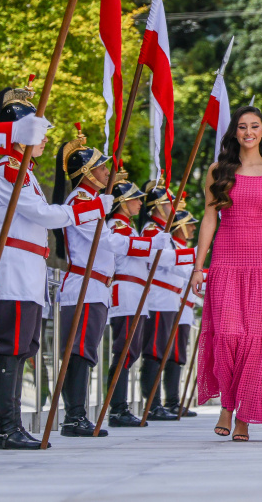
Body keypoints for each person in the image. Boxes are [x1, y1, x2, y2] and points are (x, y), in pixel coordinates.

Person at [192, 105, 262, 442]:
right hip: (226, 258)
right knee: (227, 335)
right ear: (235, 132)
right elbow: (210, 218)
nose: (249, 132)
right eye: (243, 126)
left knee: (255, 340)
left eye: (255, 126)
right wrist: (199, 266)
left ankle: (243, 415)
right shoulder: (218, 170)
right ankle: (227, 402)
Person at [52, 126, 164, 438]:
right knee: (78, 351)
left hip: (97, 285)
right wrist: (152, 243)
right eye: (101, 167)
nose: (106, 172)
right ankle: (74, 417)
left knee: (85, 351)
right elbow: (105, 243)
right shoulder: (82, 200)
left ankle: (78, 415)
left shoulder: (94, 202)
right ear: (86, 173)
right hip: (84, 284)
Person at [0, 86, 70, 450]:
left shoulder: (24, 172)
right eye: (38, 132)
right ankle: (5, 428)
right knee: (11, 347)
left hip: (28, 270)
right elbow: (40, 214)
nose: (44, 139)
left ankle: (11, 425)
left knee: (23, 348)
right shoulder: (9, 171)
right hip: (14, 270)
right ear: (20, 135)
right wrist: (79, 211)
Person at [139, 180, 194, 422]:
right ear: (159, 207)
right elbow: (162, 259)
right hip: (159, 298)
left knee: (164, 351)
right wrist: (195, 254)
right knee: (155, 352)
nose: (174, 208)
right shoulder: (152, 230)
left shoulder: (161, 232)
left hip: (169, 298)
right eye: (169, 204)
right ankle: (152, 404)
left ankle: (161, 402)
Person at [105, 170, 157, 428]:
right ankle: (117, 408)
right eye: (135, 198)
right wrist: (153, 244)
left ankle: (120, 406)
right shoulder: (116, 225)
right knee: (123, 351)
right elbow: (120, 247)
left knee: (131, 351)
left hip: (136, 294)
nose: (140, 203)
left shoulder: (129, 227)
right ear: (122, 202)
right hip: (125, 292)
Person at [163, 207, 200, 417]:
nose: (193, 228)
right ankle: (169, 400)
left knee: (178, 355)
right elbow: (186, 272)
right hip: (174, 305)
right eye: (189, 224)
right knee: (171, 353)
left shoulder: (181, 247)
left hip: (184, 307)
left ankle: (173, 399)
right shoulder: (175, 248)